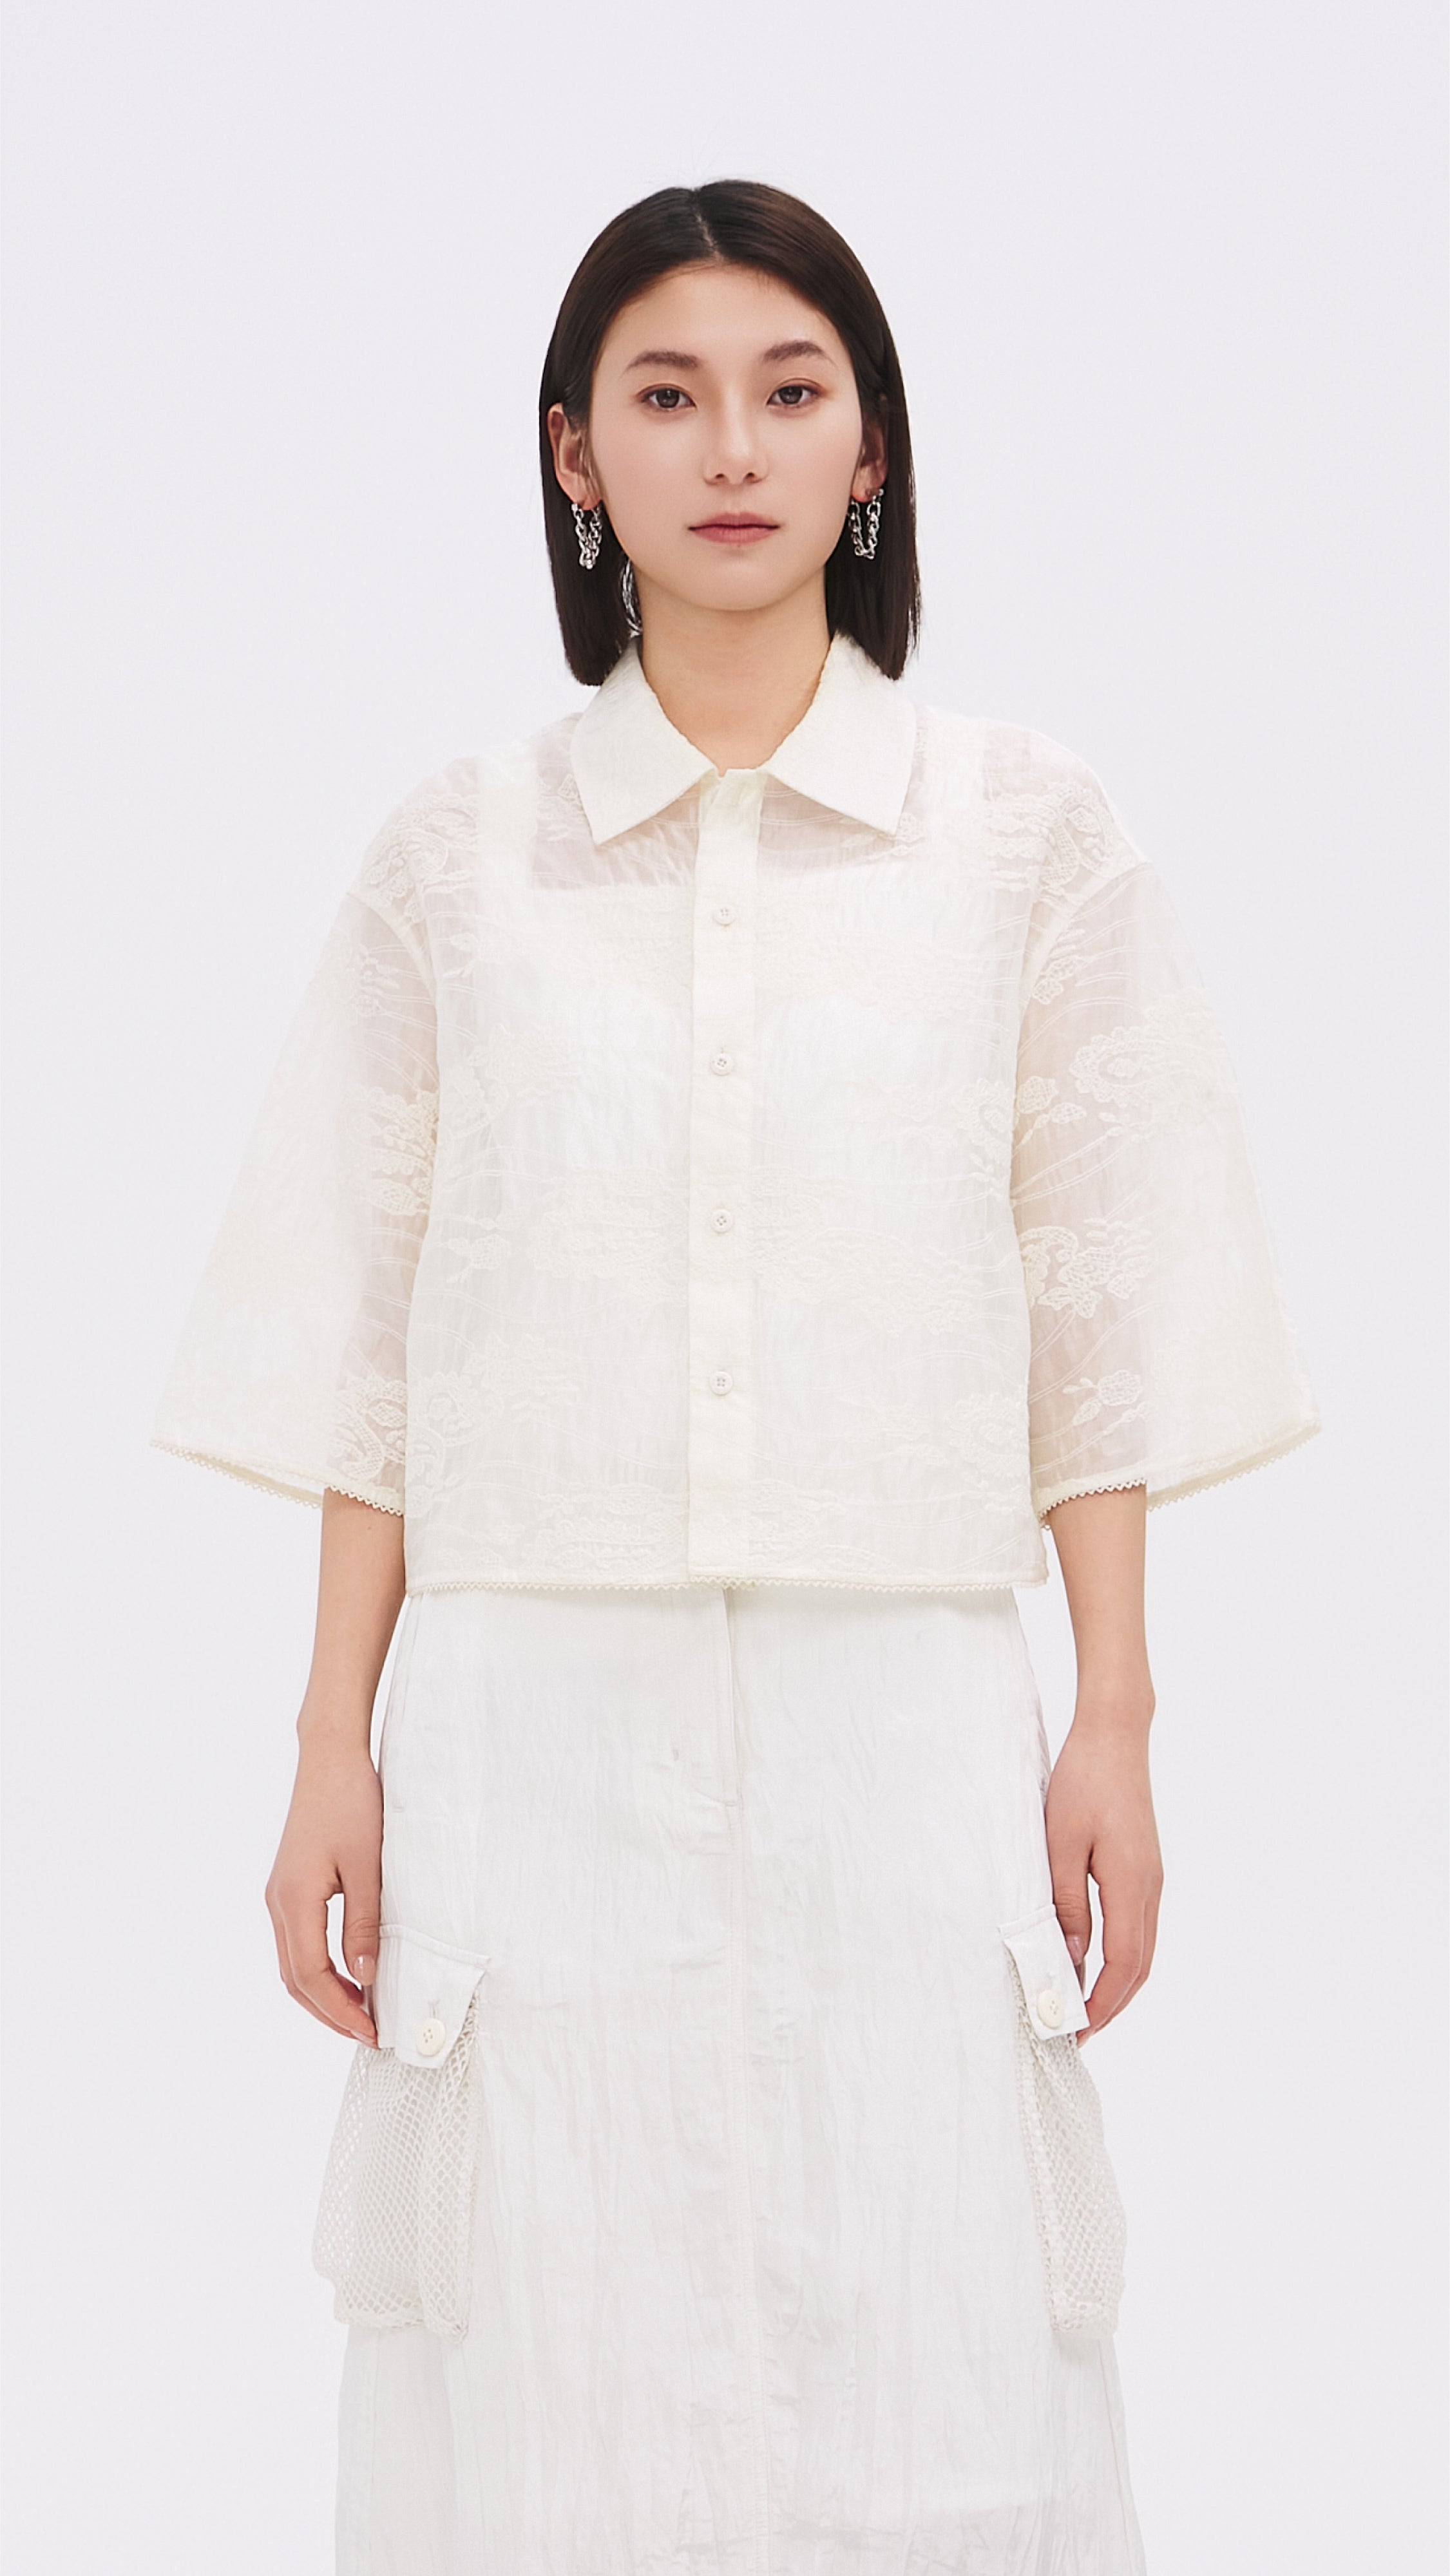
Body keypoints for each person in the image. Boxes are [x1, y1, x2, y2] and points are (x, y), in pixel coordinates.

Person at [152, 180, 1320, 2574]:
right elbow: (376, 1337)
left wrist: (1110, 1715)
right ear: (572, 453)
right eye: (665, 396)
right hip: (531, 1722)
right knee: (545, 2347)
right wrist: (324, 1747)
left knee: (938, 2319)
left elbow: (1096, 1302)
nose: (731, 449)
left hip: (902, 1707)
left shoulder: (1022, 838)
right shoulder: (459, 859)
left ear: (868, 449)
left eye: (790, 393)